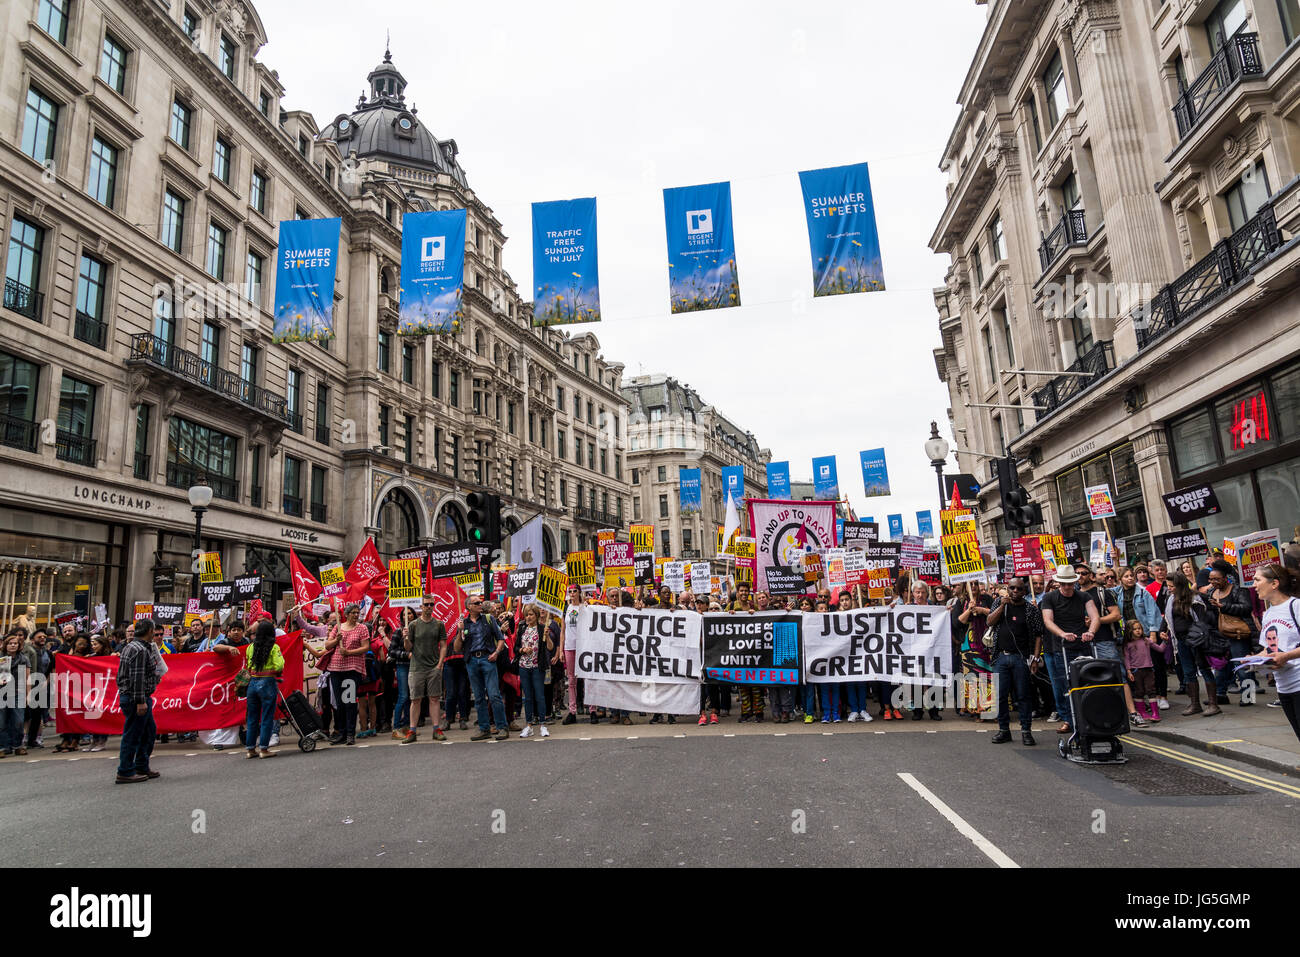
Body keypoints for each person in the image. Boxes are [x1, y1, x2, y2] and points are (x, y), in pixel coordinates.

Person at [1039, 565, 1101, 735]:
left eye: (1070, 584)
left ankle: (1089, 716)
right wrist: (1062, 634)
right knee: (1066, 684)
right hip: (1063, 647)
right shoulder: (1050, 597)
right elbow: (1048, 620)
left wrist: (1091, 632)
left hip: (1083, 643)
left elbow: (1095, 617)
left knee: (1088, 681)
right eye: (1063, 584)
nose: (1067, 587)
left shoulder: (1084, 596)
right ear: (1058, 582)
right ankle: (1068, 719)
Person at [986, 578, 1042, 745]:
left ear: (1024, 592)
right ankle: (1004, 730)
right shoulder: (998, 603)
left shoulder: (1030, 610)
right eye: (1012, 588)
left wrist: (1035, 658)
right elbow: (989, 621)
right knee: (1001, 695)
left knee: (1023, 696)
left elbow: (1039, 635)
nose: (1015, 591)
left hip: (1021, 658)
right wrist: (1003, 606)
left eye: (1018, 589)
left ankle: (1026, 731)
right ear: (1007, 589)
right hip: (1001, 657)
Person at [1163, 571, 1220, 717]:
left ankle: (1213, 704)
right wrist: (1163, 630)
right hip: (1181, 641)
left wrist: (1198, 638)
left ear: (1179, 585)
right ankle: (1195, 704)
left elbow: (1201, 621)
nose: (1169, 588)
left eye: (1171, 586)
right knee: (1188, 672)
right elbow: (1168, 618)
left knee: (1204, 669)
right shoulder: (1171, 599)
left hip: (1197, 640)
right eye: (1168, 586)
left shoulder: (1194, 598)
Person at [1254, 563, 1300, 743]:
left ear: (1274, 584)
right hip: (1283, 686)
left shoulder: (1295, 606)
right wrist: (1254, 659)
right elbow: (1270, 649)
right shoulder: (1268, 614)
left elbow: (1284, 652)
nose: (1254, 585)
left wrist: (1286, 656)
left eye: (1257, 580)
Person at [114, 619, 161, 783]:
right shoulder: (139, 649)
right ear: (150, 630)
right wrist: (140, 701)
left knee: (149, 732)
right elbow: (137, 677)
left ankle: (141, 765)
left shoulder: (133, 647)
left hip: (137, 696)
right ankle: (125, 770)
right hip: (136, 698)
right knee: (133, 735)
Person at [456, 595, 508, 741]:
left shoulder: (488, 619)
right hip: (471, 660)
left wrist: (496, 653)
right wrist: (460, 633)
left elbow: (500, 639)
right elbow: (457, 647)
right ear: (469, 607)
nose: (480, 604)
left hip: (487, 659)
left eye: (480, 602)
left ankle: (502, 727)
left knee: (494, 695)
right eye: (476, 603)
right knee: (478, 697)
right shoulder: (463, 623)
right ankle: (484, 728)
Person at [1204, 559, 1256, 706]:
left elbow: (1246, 608)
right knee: (1220, 666)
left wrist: (1223, 606)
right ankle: (1220, 694)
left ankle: (1248, 696)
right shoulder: (1211, 592)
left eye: (1216, 579)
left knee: (1242, 666)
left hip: (1237, 634)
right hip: (1219, 635)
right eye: (1211, 579)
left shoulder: (1237, 590)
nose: (1213, 582)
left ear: (1225, 578)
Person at [402, 596, 448, 744]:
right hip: (416, 668)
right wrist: (406, 638)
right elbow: (408, 648)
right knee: (415, 700)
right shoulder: (414, 625)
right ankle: (412, 731)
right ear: (421, 607)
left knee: (434, 699)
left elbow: (444, 645)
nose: (429, 607)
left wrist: (439, 664)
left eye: (431, 604)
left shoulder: (439, 624)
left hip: (433, 667)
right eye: (426, 604)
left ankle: (436, 729)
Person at [324, 603, 370, 746]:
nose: (356, 615)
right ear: (347, 614)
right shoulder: (338, 627)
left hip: (352, 669)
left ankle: (350, 733)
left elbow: (365, 647)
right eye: (353, 613)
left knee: (349, 701)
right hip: (336, 669)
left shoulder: (362, 628)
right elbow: (327, 645)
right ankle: (342, 732)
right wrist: (336, 640)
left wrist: (349, 652)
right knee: (339, 703)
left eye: (357, 613)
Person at [243, 620, 284, 759]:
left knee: (252, 718)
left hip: (252, 684)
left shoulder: (250, 647)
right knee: (267, 717)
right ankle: (264, 749)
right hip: (267, 683)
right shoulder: (274, 648)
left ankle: (250, 749)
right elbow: (279, 666)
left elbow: (248, 665)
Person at [516, 605, 552, 738]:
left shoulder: (542, 629)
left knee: (540, 695)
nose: (528, 617)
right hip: (524, 666)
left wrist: (547, 637)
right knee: (528, 697)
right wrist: (522, 650)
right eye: (526, 615)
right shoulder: (522, 629)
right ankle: (529, 725)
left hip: (537, 667)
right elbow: (516, 647)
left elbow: (550, 647)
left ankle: (543, 724)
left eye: (531, 614)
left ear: (536, 615)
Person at [1122, 618, 1165, 724]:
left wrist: (1165, 641)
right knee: (1139, 692)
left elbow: (1160, 649)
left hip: (1149, 670)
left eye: (1139, 628)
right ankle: (1142, 712)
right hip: (1136, 671)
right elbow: (1126, 659)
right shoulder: (1128, 644)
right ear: (1129, 631)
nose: (1138, 631)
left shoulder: (1146, 641)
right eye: (1135, 629)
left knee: (1151, 691)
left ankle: (1155, 713)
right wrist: (1128, 671)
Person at [0, 631, 32, 757]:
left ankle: (18, 745)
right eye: (10, 643)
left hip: (18, 693)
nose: (13, 645)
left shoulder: (23, 659)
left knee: (18, 721)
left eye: (15, 643)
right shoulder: (1, 658)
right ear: (5, 645)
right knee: (1, 722)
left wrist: (28, 695)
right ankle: (2, 747)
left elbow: (27, 678)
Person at [389, 609, 413, 740]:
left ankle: (407, 727)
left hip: (414, 666)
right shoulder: (398, 631)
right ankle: (396, 728)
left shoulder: (415, 630)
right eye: (404, 614)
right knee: (403, 696)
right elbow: (391, 651)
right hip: (402, 666)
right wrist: (406, 654)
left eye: (409, 613)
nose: (407, 616)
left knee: (411, 697)